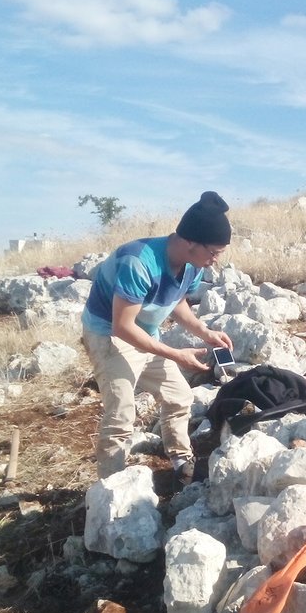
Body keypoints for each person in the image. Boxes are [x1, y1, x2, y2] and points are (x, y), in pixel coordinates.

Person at [81, 191, 234, 482]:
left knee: (179, 396)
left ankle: (180, 460)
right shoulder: (138, 261)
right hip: (109, 335)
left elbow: (176, 300)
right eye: (213, 252)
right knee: (121, 415)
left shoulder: (193, 265)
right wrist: (176, 354)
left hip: (143, 333)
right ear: (190, 241)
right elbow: (122, 327)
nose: (214, 261)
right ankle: (110, 489)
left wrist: (205, 331)